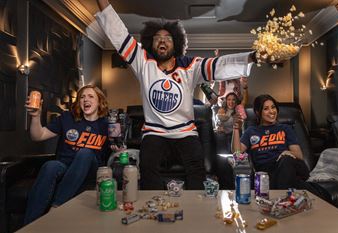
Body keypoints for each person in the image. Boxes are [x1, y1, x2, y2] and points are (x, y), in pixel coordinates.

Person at [95, 0, 258, 190]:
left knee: (197, 167)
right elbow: (119, 35)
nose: (162, 40)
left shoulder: (190, 66)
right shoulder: (142, 62)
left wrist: (253, 57)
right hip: (154, 132)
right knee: (147, 166)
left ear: (177, 44)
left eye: (168, 38)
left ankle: (193, 210)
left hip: (185, 131)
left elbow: (218, 65)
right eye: (157, 38)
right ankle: (153, 210)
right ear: (150, 43)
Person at [24, 84, 111, 224]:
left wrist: (118, 147)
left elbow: (116, 149)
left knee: (85, 153)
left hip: (90, 169)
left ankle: (56, 207)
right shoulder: (67, 118)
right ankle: (29, 226)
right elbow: (38, 136)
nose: (85, 100)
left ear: (99, 101)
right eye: (82, 97)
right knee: (50, 165)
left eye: (90, 96)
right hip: (65, 166)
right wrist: (35, 116)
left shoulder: (107, 125)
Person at [232, 94, 310, 189]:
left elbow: (299, 155)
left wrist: (287, 153)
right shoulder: (251, 131)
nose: (271, 111)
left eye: (273, 107)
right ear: (258, 112)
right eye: (266, 109)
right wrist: (236, 128)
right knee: (301, 186)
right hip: (267, 173)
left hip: (288, 166)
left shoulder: (285, 128)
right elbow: (237, 152)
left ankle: (280, 197)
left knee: (286, 161)